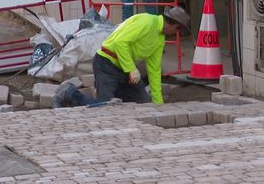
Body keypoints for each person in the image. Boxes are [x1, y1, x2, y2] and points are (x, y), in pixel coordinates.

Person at [53, 6, 190, 108]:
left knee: (144, 104)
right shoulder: (147, 22)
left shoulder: (159, 40)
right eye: (178, 30)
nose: (176, 34)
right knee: (105, 108)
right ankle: (71, 94)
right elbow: (120, 43)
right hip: (106, 63)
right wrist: (131, 69)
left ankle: (115, 99)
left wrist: (159, 105)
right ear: (174, 25)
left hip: (124, 69)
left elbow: (154, 70)